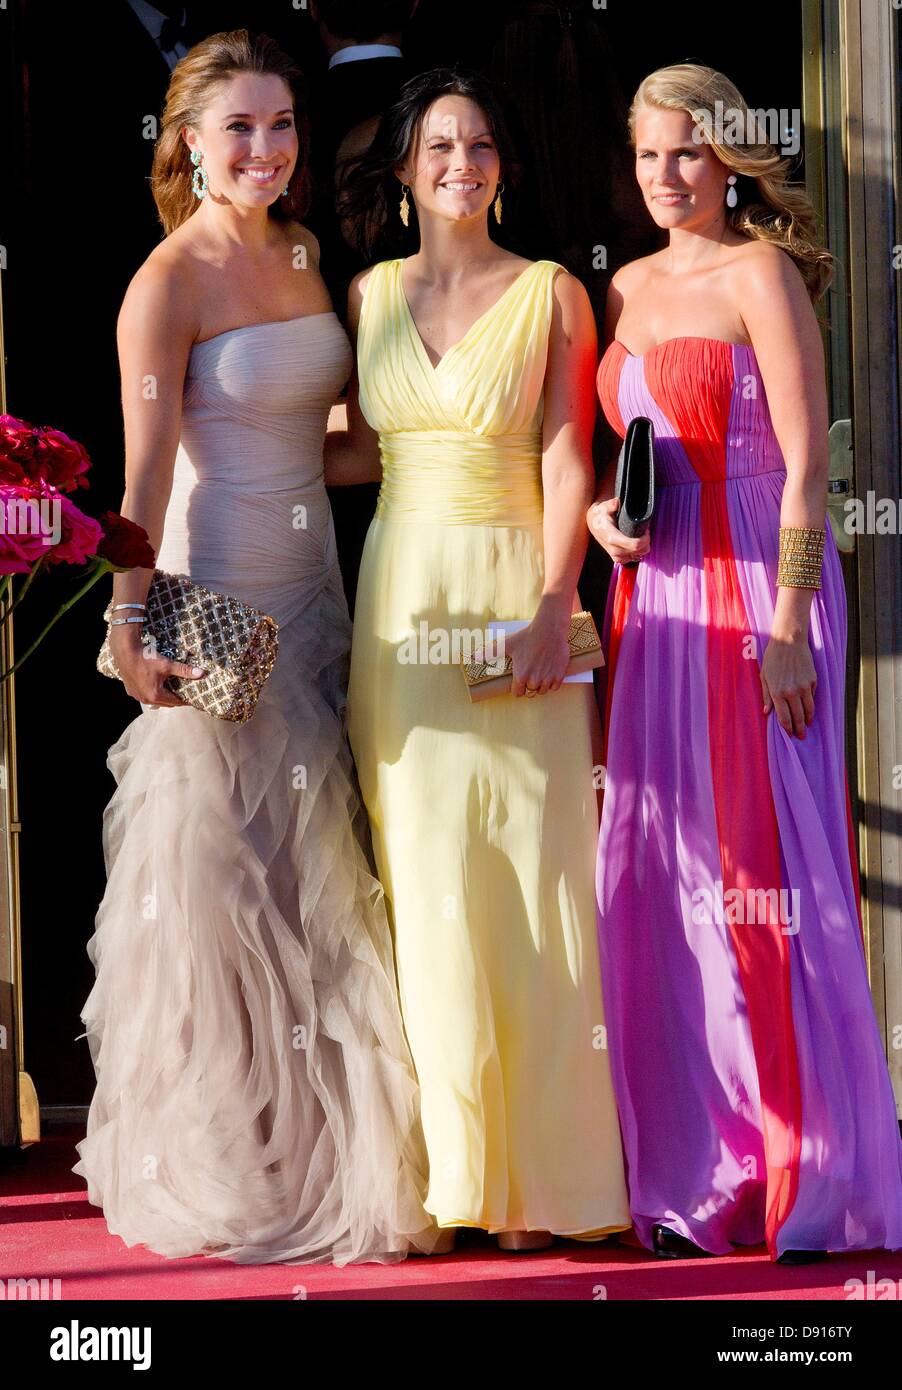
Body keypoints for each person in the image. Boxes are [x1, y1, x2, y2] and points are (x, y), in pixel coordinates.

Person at [73, 29, 440, 1266]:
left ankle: (325, 1146)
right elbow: (144, 466)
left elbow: (330, 445)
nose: (265, 150)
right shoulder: (165, 280)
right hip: (218, 591)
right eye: (239, 127)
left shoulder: (299, 252)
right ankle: (240, 1154)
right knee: (228, 882)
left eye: (280, 126)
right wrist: (129, 622)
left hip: (322, 594)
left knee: (320, 867)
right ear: (186, 140)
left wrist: (444, 448)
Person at [588, 62, 902, 1263]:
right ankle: (691, 1175)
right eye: (647, 156)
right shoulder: (621, 289)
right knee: (666, 881)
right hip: (653, 603)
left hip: (753, 602)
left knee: (765, 884)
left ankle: (794, 1173)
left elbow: (808, 471)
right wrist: (594, 530)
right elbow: (623, 458)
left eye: (687, 153)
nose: (665, 177)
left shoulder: (758, 273)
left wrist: (784, 624)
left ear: (728, 157)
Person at [326, 67, 630, 1251]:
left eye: (482, 143)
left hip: (516, 588)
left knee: (536, 871)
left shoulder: (553, 293)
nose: (463, 161)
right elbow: (355, 449)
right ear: (401, 170)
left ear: (502, 166)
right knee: (425, 881)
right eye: (440, 144)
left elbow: (567, 458)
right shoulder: (362, 296)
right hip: (402, 594)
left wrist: (559, 602)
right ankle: (459, 1178)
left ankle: (545, 1185)